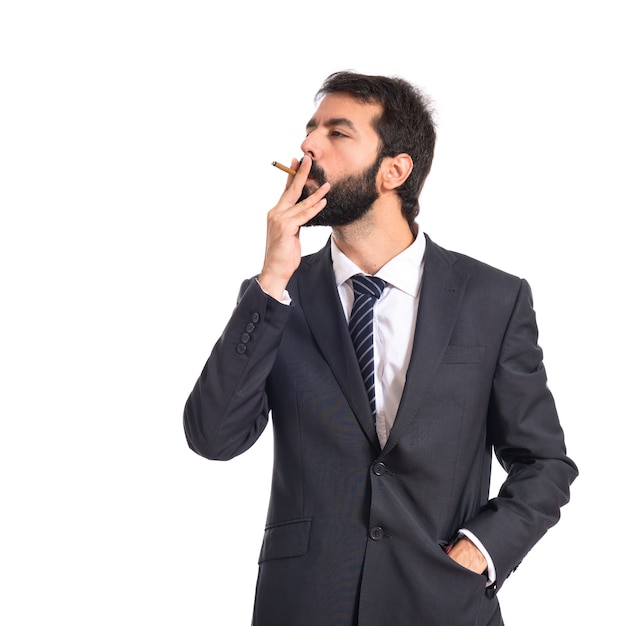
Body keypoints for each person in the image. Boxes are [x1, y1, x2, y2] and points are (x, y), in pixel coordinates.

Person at [183, 71, 577, 626]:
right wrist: (271, 279)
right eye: (309, 130)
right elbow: (212, 437)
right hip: (303, 604)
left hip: (443, 605)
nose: (307, 147)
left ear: (395, 170)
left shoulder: (494, 298)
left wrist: (479, 552)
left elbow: (544, 463)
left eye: (337, 134)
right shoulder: (276, 297)